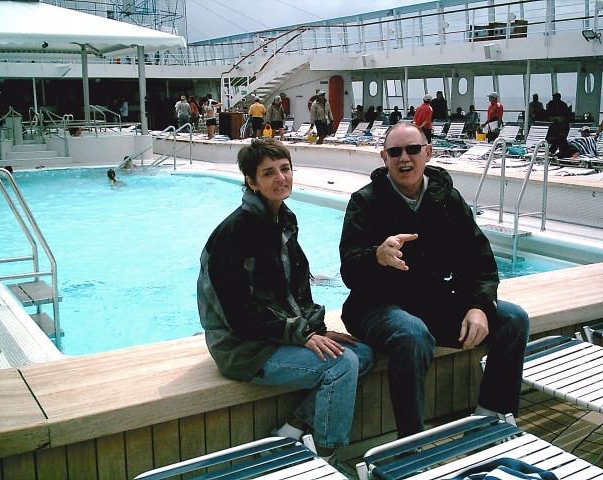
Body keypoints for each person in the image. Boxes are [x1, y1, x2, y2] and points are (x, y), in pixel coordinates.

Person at [338, 122, 529, 439]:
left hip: (430, 303)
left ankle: (492, 415)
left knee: (513, 319)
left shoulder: (447, 200)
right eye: (395, 152)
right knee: (413, 333)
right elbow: (349, 270)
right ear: (384, 157)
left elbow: (478, 260)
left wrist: (478, 306)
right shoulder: (365, 202)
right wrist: (376, 256)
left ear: (428, 152)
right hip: (374, 306)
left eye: (413, 150)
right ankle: (411, 442)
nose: (404, 159)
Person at [197, 138, 374, 471]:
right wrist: (303, 336)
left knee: (362, 355)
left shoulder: (281, 222)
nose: (281, 178)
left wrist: (318, 331)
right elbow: (239, 313)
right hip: (244, 348)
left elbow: (295, 292)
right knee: (342, 365)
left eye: (285, 169)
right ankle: (325, 456)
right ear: (251, 182)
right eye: (268, 173)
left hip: (274, 337)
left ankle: (291, 430)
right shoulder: (234, 234)